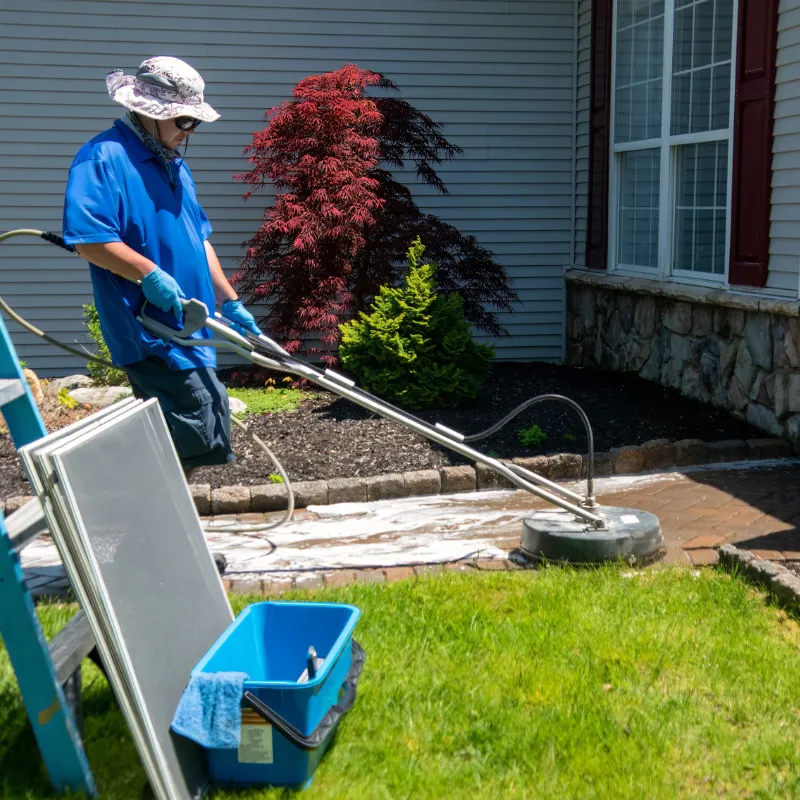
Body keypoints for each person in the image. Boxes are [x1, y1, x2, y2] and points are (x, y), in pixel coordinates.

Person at [62, 56, 261, 475]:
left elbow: (197, 238)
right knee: (189, 430)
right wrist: (148, 274)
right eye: (183, 121)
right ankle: (151, 531)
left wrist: (231, 301)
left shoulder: (173, 165)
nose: (189, 131)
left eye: (194, 122)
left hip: (192, 325)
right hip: (150, 330)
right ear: (148, 112)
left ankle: (164, 531)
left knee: (204, 422)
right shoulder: (103, 158)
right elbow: (89, 240)